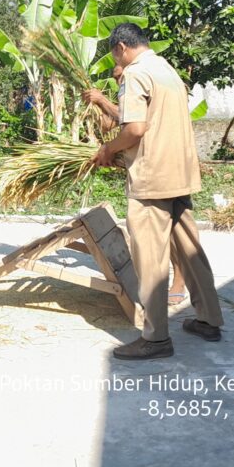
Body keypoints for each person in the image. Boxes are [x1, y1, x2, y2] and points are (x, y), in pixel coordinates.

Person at [91, 23, 223, 360]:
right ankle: (209, 320)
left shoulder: (136, 74)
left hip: (152, 178)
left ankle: (155, 339)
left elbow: (135, 129)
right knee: (190, 250)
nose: (116, 62)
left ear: (121, 47)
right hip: (179, 172)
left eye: (114, 56)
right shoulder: (166, 69)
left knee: (150, 259)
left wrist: (107, 149)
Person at [82, 64, 187, 307]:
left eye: (120, 75)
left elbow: (136, 123)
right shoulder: (128, 87)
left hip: (165, 164)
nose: (119, 79)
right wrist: (98, 109)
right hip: (146, 168)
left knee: (172, 227)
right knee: (157, 228)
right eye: (116, 77)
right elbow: (114, 125)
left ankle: (179, 282)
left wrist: (102, 100)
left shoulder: (147, 81)